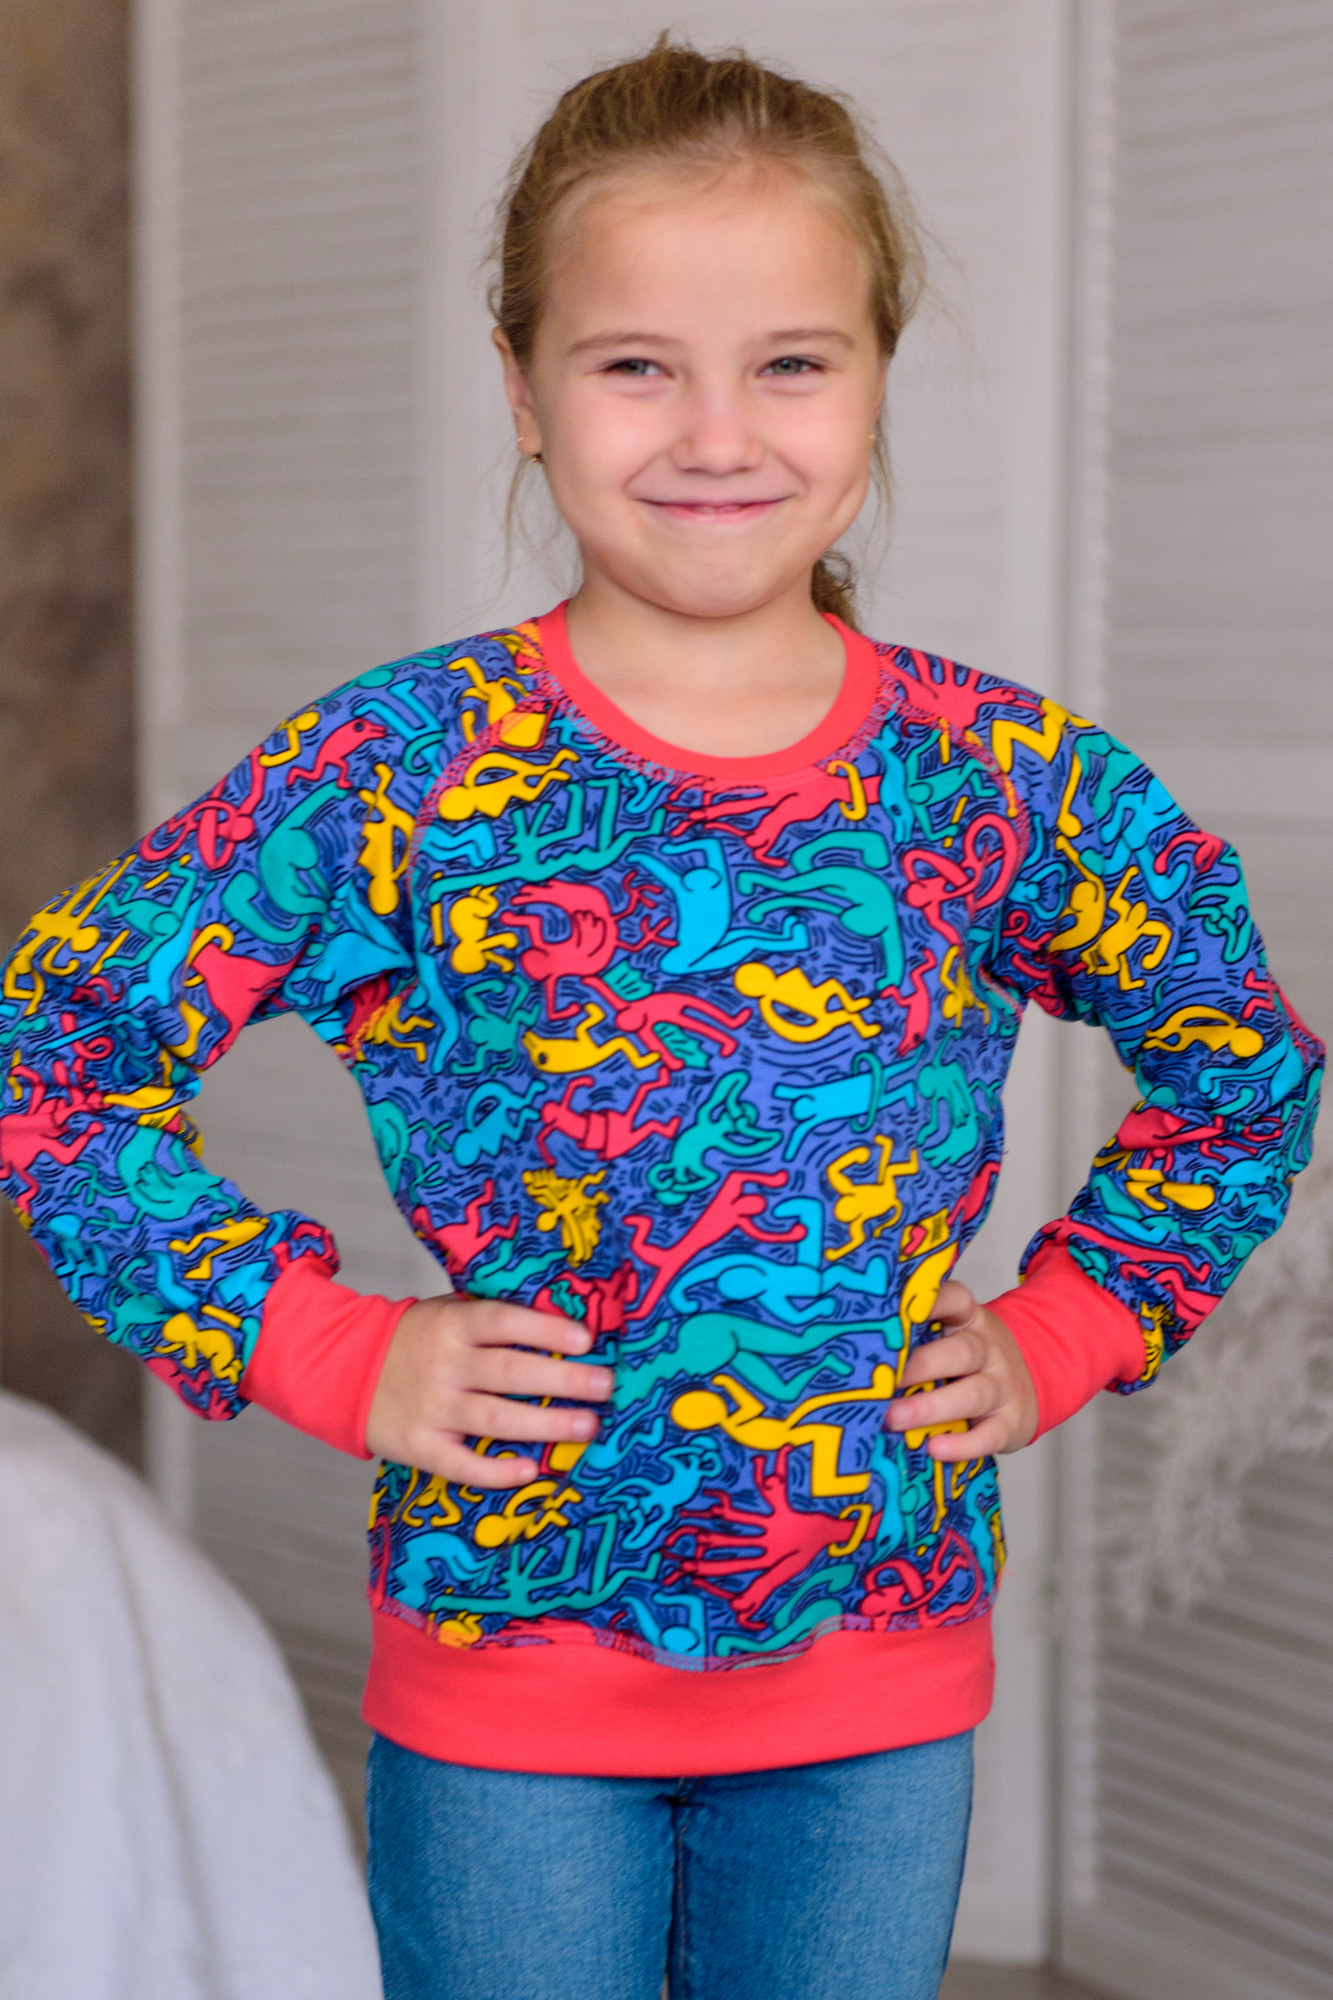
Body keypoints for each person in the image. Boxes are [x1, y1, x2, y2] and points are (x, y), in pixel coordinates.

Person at [0, 37, 1321, 2000]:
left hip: (876, 1672)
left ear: (875, 381)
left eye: (790, 361)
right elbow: (58, 1051)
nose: (716, 431)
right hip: (509, 1666)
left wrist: (1067, 1324)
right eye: (635, 364)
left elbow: (1241, 1072)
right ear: (521, 390)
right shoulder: (397, 767)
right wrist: (322, 1344)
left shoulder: (1003, 778)